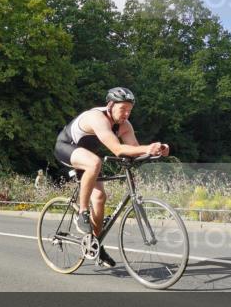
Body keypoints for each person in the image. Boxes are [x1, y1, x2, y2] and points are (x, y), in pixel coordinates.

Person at [54, 87, 169, 268]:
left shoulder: (125, 126)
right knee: (94, 162)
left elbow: (134, 151)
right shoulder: (97, 118)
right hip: (66, 147)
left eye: (130, 111)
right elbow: (118, 150)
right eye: (122, 109)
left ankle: (95, 244)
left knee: (100, 197)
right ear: (110, 105)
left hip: (89, 156)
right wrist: (147, 148)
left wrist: (158, 151)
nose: (126, 114)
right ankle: (82, 213)